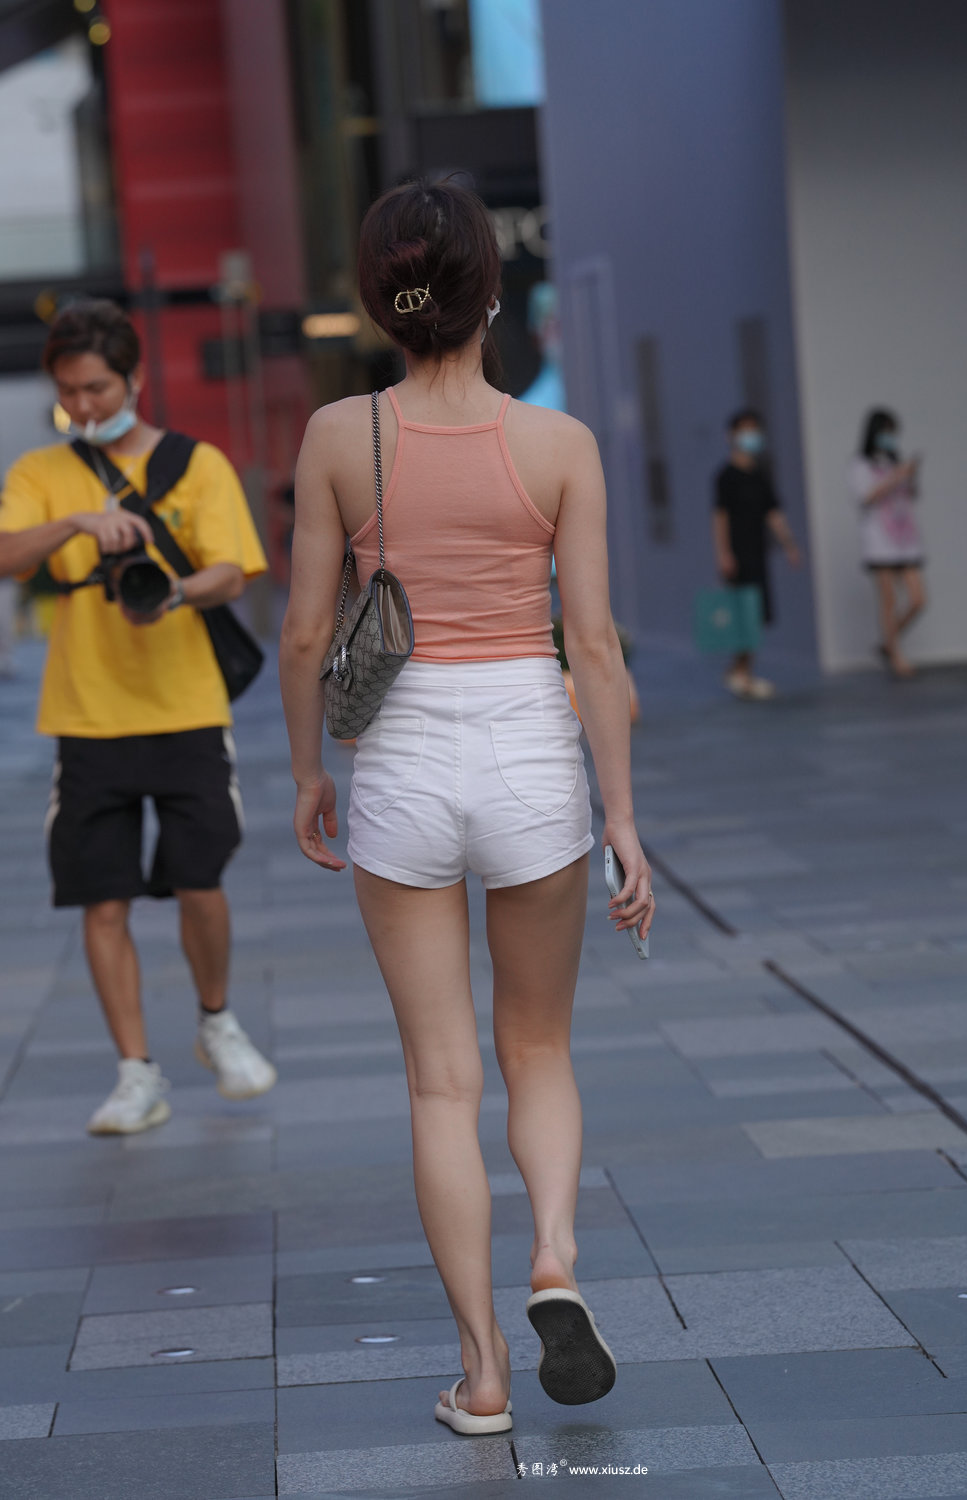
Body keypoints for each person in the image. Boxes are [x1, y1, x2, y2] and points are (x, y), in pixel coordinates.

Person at [280, 180, 654, 1434]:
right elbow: (591, 644)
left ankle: (483, 1375)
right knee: (536, 1047)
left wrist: (308, 773)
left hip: (400, 759)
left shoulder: (339, 437)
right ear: (493, 293)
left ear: (379, 304)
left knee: (440, 1084)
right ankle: (554, 1254)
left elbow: (304, 635)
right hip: (531, 754)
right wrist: (619, 819)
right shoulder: (559, 445)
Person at [0, 299, 277, 1135]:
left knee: (201, 879)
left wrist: (172, 592)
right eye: (68, 391)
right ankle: (135, 1072)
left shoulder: (198, 465)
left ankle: (216, 1020)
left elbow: (235, 572)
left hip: (186, 707)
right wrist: (78, 523)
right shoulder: (42, 471)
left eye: (96, 387)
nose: (83, 405)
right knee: (102, 898)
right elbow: (7, 555)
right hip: (87, 716)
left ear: (135, 378)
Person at [712, 408, 801, 699]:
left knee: (756, 615)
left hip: (758, 552)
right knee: (744, 617)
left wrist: (789, 544)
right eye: (745, 430)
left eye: (755, 429)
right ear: (732, 435)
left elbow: (773, 513)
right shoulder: (726, 476)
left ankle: (740, 671)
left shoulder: (761, 475)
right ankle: (741, 673)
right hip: (738, 555)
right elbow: (720, 517)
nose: (751, 436)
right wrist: (724, 553)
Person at [851, 408, 925, 678]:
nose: (890, 437)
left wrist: (909, 476)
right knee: (889, 600)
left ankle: (887, 643)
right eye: (885, 432)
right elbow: (865, 497)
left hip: (905, 539)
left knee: (918, 599)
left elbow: (910, 496)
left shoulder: (895, 462)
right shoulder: (861, 465)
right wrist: (895, 478)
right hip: (880, 542)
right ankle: (896, 655)